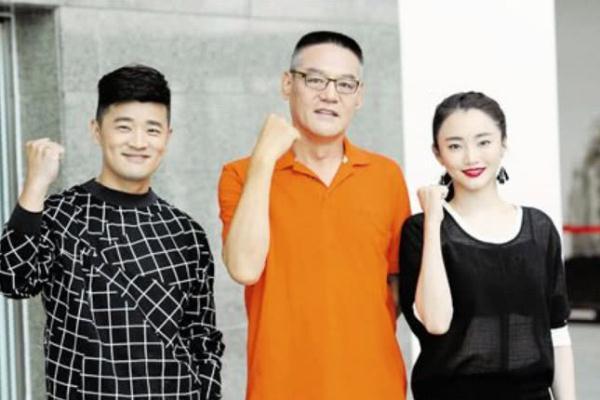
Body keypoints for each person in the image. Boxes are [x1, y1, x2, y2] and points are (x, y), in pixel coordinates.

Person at [0, 64, 224, 399]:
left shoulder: (186, 232)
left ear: (167, 136)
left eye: (152, 130)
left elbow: (202, 338)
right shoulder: (62, 214)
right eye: (124, 127)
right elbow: (12, 279)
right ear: (96, 130)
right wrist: (35, 184)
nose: (138, 142)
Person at [218, 31, 411, 400]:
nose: (330, 94)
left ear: (359, 96)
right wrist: (264, 159)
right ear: (287, 84)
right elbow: (244, 268)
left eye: (345, 84)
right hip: (280, 389)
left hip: (375, 387)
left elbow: (397, 284)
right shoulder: (241, 175)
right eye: (316, 80)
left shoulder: (386, 176)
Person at [399, 91, 576, 400]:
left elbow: (556, 331)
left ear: (503, 144)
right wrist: (433, 221)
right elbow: (436, 322)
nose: (471, 157)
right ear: (438, 154)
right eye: (455, 146)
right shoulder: (421, 230)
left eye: (483, 142)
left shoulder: (538, 229)